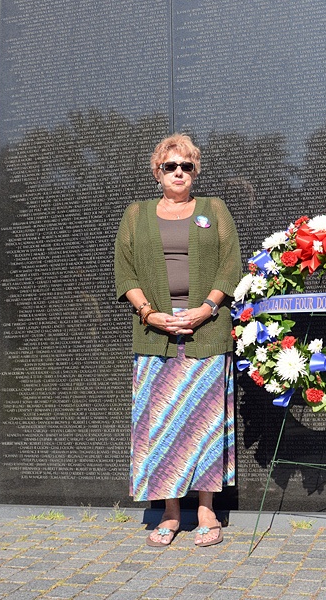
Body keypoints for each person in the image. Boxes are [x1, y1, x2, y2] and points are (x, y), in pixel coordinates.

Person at [114, 133, 241, 548]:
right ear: (157, 172)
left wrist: (206, 308)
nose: (179, 173)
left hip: (207, 332)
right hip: (155, 335)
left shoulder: (213, 209)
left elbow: (230, 265)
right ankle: (169, 514)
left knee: (204, 425)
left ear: (195, 171)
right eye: (171, 166)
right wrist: (150, 313)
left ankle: (206, 511)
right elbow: (126, 272)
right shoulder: (136, 215)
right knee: (164, 426)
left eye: (187, 166)